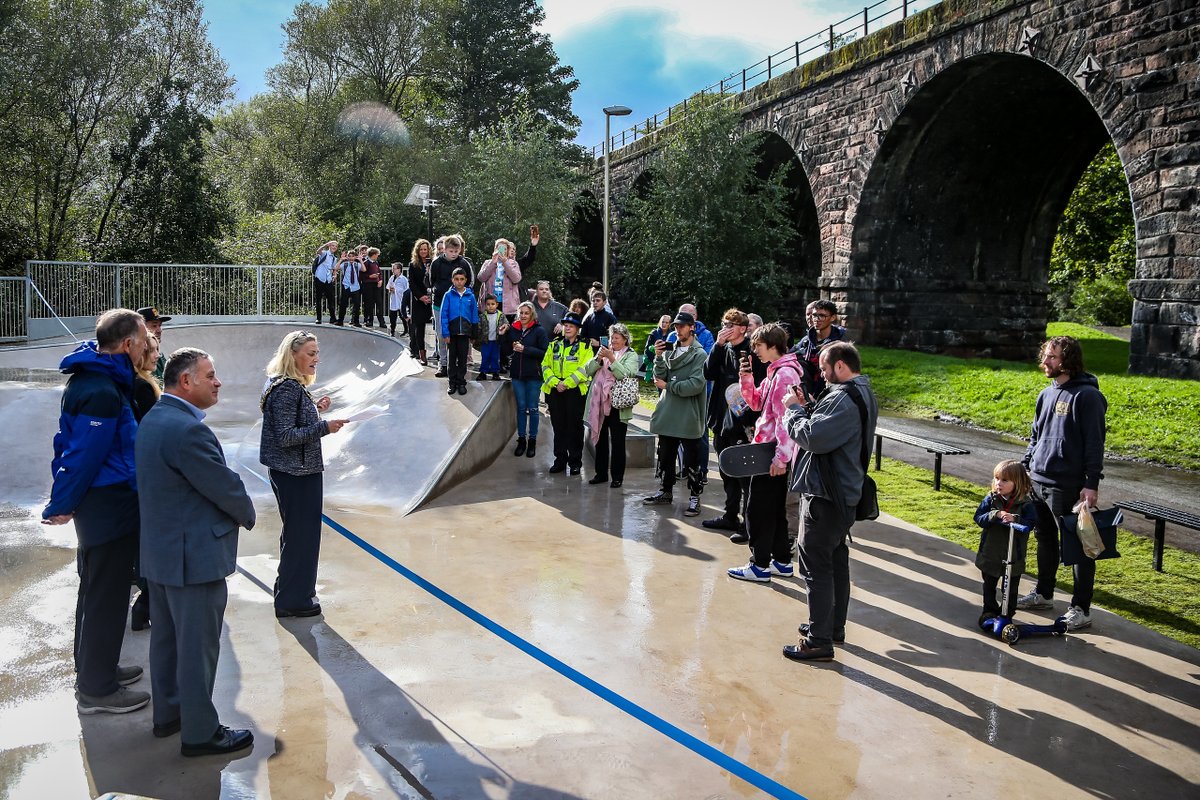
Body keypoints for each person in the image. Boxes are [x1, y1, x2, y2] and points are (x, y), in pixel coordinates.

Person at [136, 347, 258, 756]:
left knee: (167, 642)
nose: (218, 382)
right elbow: (222, 486)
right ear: (186, 382)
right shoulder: (188, 430)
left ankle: (168, 715)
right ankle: (201, 733)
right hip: (194, 558)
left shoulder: (154, 418)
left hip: (162, 554)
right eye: (210, 375)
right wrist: (247, 512)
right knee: (198, 649)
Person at [43, 308, 150, 714]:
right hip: (108, 504)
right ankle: (97, 689)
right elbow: (82, 455)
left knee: (98, 590)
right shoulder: (102, 391)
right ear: (127, 345)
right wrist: (63, 504)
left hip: (108, 501)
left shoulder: (100, 379)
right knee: (106, 596)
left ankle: (96, 667)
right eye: (142, 341)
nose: (145, 348)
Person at [782, 341, 877, 661]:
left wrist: (793, 411)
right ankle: (832, 626)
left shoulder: (842, 397)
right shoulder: (860, 391)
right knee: (836, 560)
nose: (820, 375)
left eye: (824, 369)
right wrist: (810, 407)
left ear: (840, 366)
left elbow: (813, 438)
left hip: (826, 495)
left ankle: (819, 640)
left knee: (815, 566)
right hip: (843, 494)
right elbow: (830, 431)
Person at [1016, 335, 1108, 631]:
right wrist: (1027, 466)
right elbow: (1036, 435)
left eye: (1052, 357)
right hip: (1038, 480)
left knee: (1078, 546)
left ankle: (1081, 608)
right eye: (1045, 356)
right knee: (1044, 539)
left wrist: (1091, 484)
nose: (1045, 362)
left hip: (1068, 484)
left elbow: (1095, 443)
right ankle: (1044, 593)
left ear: (1068, 359)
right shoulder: (1045, 394)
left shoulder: (1088, 397)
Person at [259, 331, 350, 618]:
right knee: (302, 536)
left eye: (316, 353)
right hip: (296, 472)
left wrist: (314, 408)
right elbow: (286, 435)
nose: (316, 359)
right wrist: (325, 427)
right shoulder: (287, 388)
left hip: (294, 470)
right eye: (311, 353)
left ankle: (290, 590)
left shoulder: (289, 386)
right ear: (293, 355)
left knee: (296, 534)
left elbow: (291, 420)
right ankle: (293, 599)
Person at [727, 323, 807, 582]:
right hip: (769, 451)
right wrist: (746, 376)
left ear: (773, 346)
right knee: (773, 509)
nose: (756, 352)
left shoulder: (784, 375)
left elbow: (787, 420)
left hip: (772, 453)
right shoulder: (776, 371)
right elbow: (756, 402)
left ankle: (759, 565)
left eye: (758, 346)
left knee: (757, 510)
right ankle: (781, 561)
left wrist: (781, 458)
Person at [702, 309, 765, 542]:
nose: (726, 327)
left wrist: (751, 424)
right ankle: (730, 515)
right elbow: (708, 373)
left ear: (743, 328)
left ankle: (749, 525)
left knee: (745, 476)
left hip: (741, 423)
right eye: (723, 323)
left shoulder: (750, 352)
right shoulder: (723, 348)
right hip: (720, 418)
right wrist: (717, 346)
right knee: (725, 469)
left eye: (731, 324)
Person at [644, 311, 708, 517]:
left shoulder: (700, 355)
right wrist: (659, 357)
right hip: (669, 413)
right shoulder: (671, 351)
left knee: (691, 461)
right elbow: (659, 376)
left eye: (682, 326)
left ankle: (694, 497)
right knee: (665, 456)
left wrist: (669, 386)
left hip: (688, 415)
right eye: (675, 326)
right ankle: (665, 491)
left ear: (692, 328)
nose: (678, 329)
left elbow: (696, 385)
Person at [974, 460, 1037, 626]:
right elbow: (979, 518)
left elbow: (1030, 524)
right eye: (996, 478)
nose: (998, 483)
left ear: (1018, 483)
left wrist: (1015, 519)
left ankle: (1007, 614)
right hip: (991, 553)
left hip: (1013, 556)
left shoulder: (1025, 504)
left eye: (1004, 480)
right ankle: (989, 611)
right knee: (989, 585)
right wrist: (995, 514)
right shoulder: (991, 499)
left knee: (1009, 589)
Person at [129, 331, 161, 631]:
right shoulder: (141, 387)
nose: (156, 355)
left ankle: (144, 606)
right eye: (151, 350)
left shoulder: (146, 383)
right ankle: (145, 604)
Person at [582, 322, 639, 488]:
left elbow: (625, 375)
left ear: (625, 339)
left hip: (618, 404)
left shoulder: (631, 355)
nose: (613, 341)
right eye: (611, 337)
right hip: (600, 402)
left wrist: (612, 358)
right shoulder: (604, 352)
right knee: (600, 440)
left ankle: (617, 477)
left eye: (617, 338)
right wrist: (599, 358)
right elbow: (588, 370)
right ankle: (601, 474)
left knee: (618, 441)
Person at [541, 313, 593, 475]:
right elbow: (545, 365)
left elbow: (586, 368)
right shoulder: (554, 344)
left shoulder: (585, 346)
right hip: (555, 390)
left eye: (571, 325)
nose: (568, 327)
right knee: (559, 426)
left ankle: (575, 462)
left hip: (575, 392)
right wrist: (556, 383)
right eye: (566, 325)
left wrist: (567, 383)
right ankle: (560, 460)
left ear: (578, 329)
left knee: (575, 427)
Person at [507, 301, 548, 458]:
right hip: (517, 374)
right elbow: (505, 348)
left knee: (533, 408)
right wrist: (504, 335)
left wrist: (526, 349)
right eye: (521, 313)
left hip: (534, 375)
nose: (523, 316)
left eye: (526, 313)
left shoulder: (539, 331)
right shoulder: (514, 330)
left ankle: (532, 440)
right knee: (521, 407)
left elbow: (545, 352)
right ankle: (521, 439)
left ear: (532, 315)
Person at [430, 235, 474, 377]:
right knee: (442, 334)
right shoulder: (436, 263)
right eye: (451, 251)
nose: (454, 254)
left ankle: (458, 365)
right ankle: (443, 364)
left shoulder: (464, 263)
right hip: (439, 303)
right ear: (445, 249)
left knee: (459, 336)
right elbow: (432, 281)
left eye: (456, 251)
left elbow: (470, 283)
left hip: (459, 305)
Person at [793, 300, 846, 395]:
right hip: (808, 393)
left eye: (822, 316)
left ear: (832, 317)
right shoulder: (806, 341)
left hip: (833, 392)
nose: (816, 319)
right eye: (814, 315)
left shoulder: (840, 343)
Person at [441, 267, 479, 395]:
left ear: (466, 280)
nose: (459, 282)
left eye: (462, 279)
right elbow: (443, 314)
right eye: (456, 279)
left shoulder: (470, 296)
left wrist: (474, 333)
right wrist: (445, 333)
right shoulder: (448, 295)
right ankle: (452, 382)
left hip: (465, 333)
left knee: (463, 358)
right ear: (452, 280)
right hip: (452, 333)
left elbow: (474, 315)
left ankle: (461, 381)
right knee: (452, 358)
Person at [408, 239, 434, 363]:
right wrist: (421, 297)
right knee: (419, 327)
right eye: (421, 249)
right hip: (419, 300)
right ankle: (421, 353)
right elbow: (412, 284)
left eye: (425, 249)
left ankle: (438, 353)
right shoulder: (413, 265)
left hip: (432, 298)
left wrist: (430, 296)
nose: (423, 251)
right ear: (417, 251)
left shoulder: (434, 263)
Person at [477, 294, 508, 380]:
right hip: (485, 341)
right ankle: (483, 372)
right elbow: (478, 328)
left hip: (496, 341)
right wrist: (476, 338)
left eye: (492, 304)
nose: (490, 306)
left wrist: (505, 327)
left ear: (497, 304)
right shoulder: (482, 316)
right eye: (488, 304)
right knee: (485, 356)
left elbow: (507, 324)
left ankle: (495, 372)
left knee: (495, 357)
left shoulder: (501, 315)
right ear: (485, 305)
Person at [137, 306, 170, 384]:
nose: (159, 330)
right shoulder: (137, 360)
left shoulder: (160, 358)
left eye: (160, 325)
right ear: (141, 328)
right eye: (154, 326)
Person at [311, 241, 338, 324]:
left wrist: (335, 275)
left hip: (328, 279)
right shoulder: (324, 253)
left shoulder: (334, 258)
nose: (334, 247)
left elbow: (334, 269)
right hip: (320, 278)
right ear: (329, 246)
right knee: (319, 299)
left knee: (331, 299)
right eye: (332, 245)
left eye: (336, 246)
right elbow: (318, 251)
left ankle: (332, 318)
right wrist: (325, 245)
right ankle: (319, 318)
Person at [335, 250, 363, 327]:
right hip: (346, 286)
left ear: (355, 257)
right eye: (349, 256)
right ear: (347, 257)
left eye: (353, 256)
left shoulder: (357, 265)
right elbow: (336, 268)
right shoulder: (344, 264)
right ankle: (340, 321)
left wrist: (360, 260)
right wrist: (341, 259)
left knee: (357, 305)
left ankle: (356, 321)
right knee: (343, 304)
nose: (351, 258)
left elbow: (364, 269)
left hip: (355, 287)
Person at [386, 262, 410, 338]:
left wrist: (396, 290)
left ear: (399, 270)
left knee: (403, 316)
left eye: (394, 268)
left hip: (401, 300)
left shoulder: (403, 279)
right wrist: (390, 290)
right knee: (392, 317)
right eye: (392, 268)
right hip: (393, 300)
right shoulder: (392, 278)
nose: (393, 270)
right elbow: (388, 286)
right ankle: (392, 331)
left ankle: (406, 331)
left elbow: (407, 290)